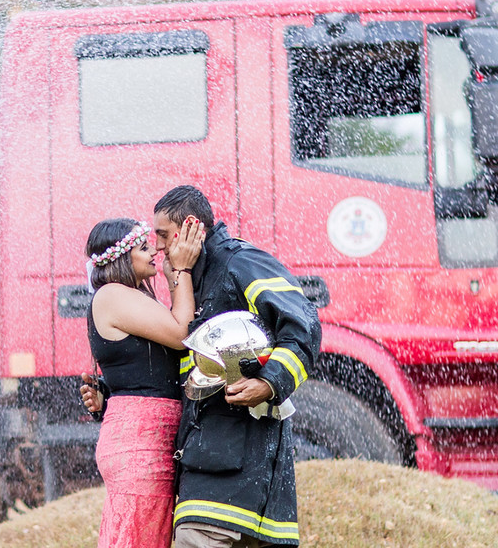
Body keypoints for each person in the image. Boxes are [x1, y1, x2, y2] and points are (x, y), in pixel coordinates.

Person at [83, 186, 322, 548]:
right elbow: (184, 357)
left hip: (232, 461)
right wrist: (116, 397)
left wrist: (269, 383)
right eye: (148, 243)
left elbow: (302, 321)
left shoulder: (238, 263)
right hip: (198, 459)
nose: (158, 249)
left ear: (191, 227)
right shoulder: (185, 283)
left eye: (161, 237)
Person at [80, 215, 205, 548]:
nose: (155, 251)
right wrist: (182, 270)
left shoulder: (127, 296)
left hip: (145, 436)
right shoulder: (112, 295)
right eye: (143, 247)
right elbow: (182, 335)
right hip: (140, 442)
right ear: (121, 256)